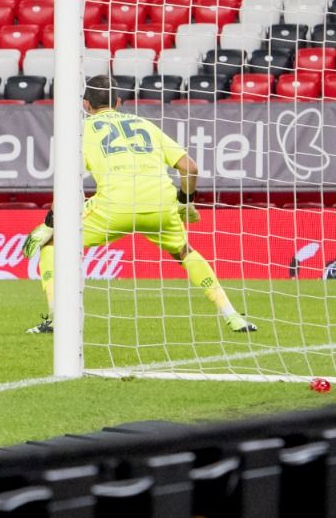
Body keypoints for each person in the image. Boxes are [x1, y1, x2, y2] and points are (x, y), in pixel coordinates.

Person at [24, 76, 256, 334]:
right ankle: (232, 314)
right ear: (119, 102)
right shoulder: (144, 124)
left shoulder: (82, 130)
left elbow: (68, 183)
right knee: (184, 251)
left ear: (86, 104)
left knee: (51, 244)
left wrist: (50, 223)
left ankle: (59, 320)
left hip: (114, 207)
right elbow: (189, 167)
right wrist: (185, 202)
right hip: (160, 203)